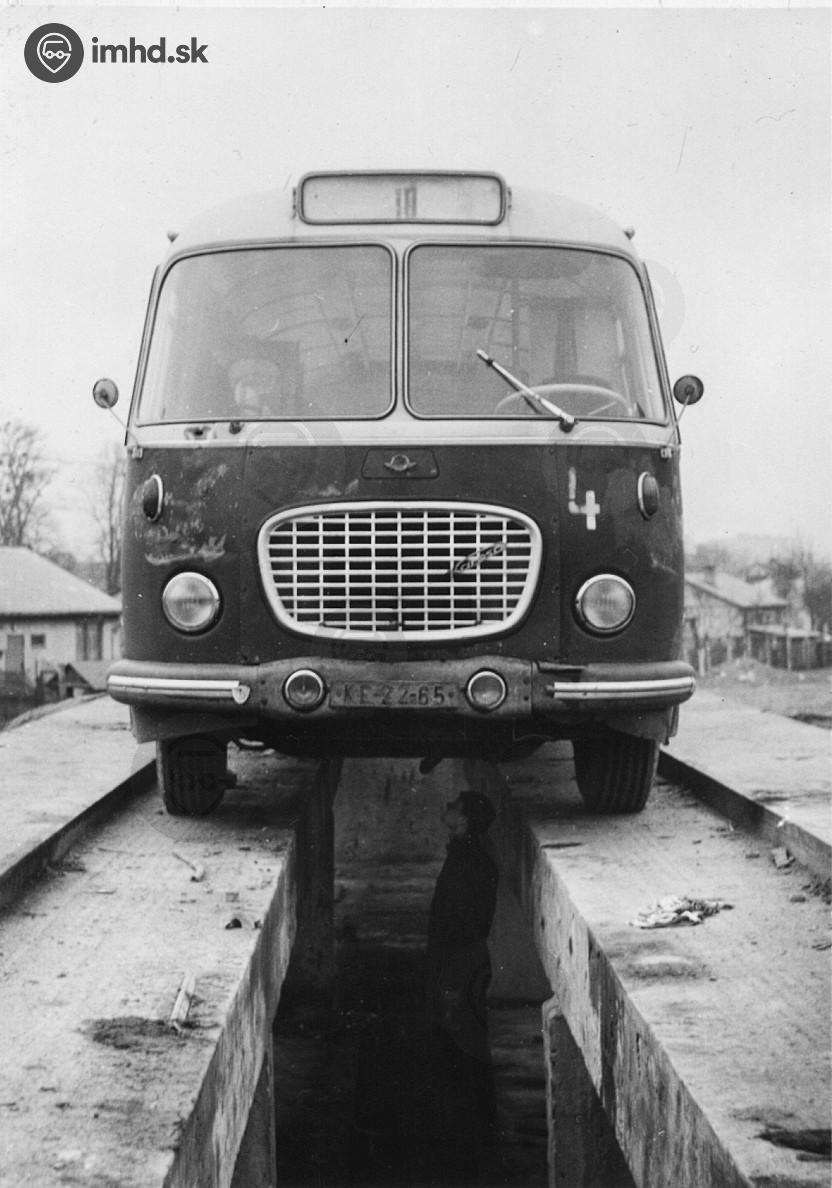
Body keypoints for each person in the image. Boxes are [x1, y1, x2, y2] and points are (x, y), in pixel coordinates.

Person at [424, 789, 499, 1180]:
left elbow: (458, 922)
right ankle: (471, 1143)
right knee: (463, 1046)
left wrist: (445, 972)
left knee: (462, 1048)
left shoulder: (468, 862)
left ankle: (469, 1150)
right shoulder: (470, 856)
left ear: (465, 821)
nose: (447, 806)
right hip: (461, 961)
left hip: (460, 963)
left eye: (454, 805)